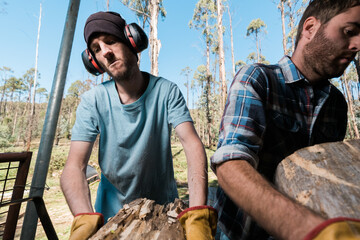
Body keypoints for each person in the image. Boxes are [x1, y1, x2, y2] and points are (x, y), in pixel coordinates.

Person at [60, 11, 217, 240]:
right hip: (111, 218)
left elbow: (191, 145)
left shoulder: (167, 91)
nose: (105, 51)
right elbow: (74, 166)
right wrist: (84, 219)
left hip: (164, 215)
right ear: (94, 61)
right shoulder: (92, 101)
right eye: (96, 49)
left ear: (132, 41)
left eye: (111, 41)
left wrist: (198, 213)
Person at [210, 0, 360, 239]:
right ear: (309, 28)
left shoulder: (337, 104)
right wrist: (311, 230)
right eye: (349, 32)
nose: (357, 45)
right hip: (239, 233)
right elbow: (231, 164)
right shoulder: (258, 79)